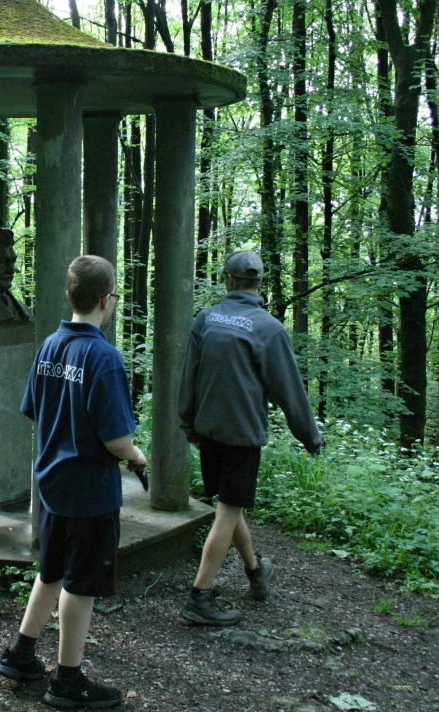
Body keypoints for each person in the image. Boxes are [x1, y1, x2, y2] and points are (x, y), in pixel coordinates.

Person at [0, 255, 145, 710]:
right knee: (80, 585)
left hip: (52, 483)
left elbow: (33, 409)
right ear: (105, 299)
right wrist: (137, 457)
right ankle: (68, 681)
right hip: (90, 491)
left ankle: (20, 654)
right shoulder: (103, 358)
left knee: (52, 570)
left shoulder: (50, 346)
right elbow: (116, 438)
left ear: (70, 295)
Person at [177, 250, 322, 626]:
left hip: (208, 431)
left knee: (230, 504)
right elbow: (290, 391)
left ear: (228, 279)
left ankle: (256, 571)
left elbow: (189, 375)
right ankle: (200, 596)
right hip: (242, 437)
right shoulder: (269, 329)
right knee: (228, 511)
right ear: (259, 282)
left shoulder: (207, 319)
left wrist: (188, 423)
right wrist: (310, 437)